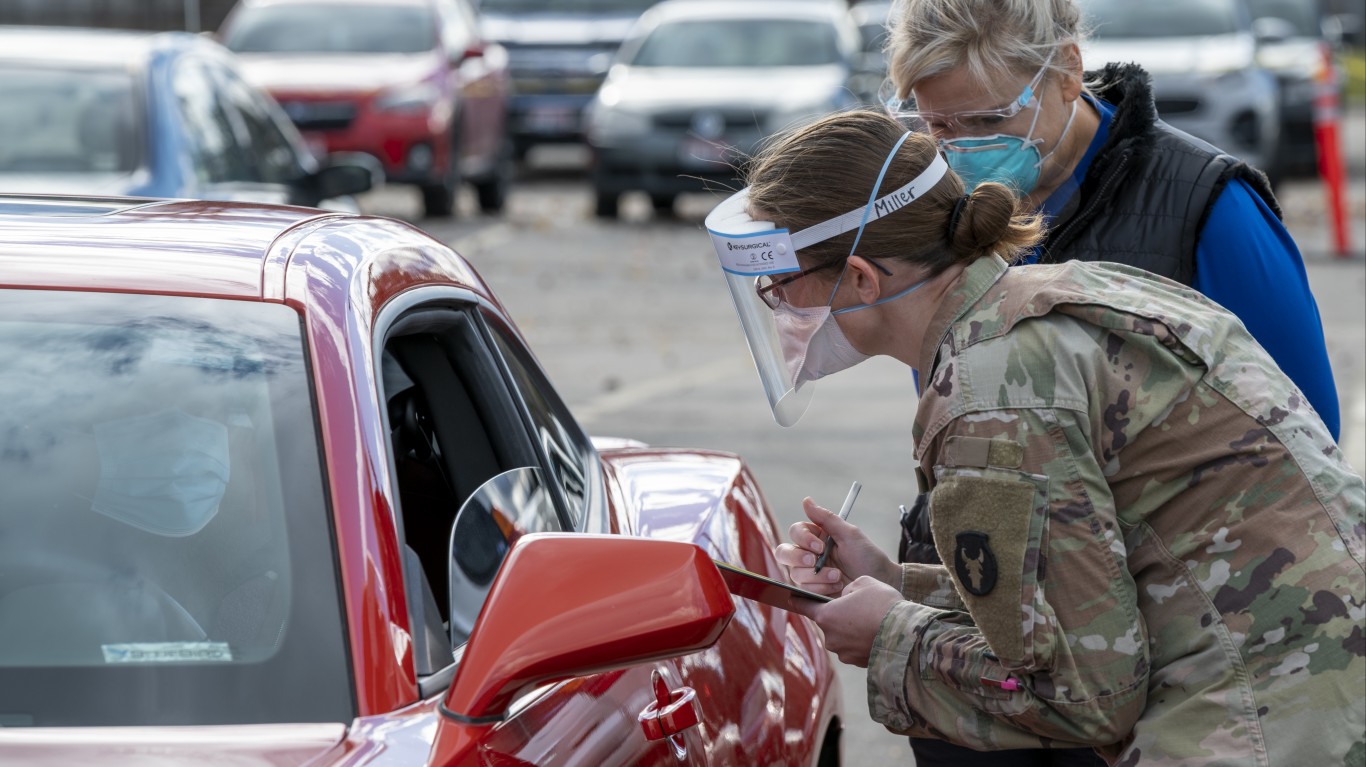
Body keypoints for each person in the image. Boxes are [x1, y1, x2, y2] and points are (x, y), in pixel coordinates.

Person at [703, 110, 1365, 766]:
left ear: (862, 279)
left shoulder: (990, 393)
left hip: (1264, 722)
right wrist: (893, 580)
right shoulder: (1066, 293)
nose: (781, 310)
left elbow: (1086, 692)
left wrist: (888, 636)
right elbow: (1090, 590)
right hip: (1316, 692)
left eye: (782, 287)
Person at [878, 4, 1343, 762]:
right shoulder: (946, 217)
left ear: (1064, 70)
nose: (961, 151)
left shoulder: (1206, 206)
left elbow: (1304, 447)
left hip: (1181, 674)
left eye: (988, 118)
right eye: (936, 127)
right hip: (1006, 661)